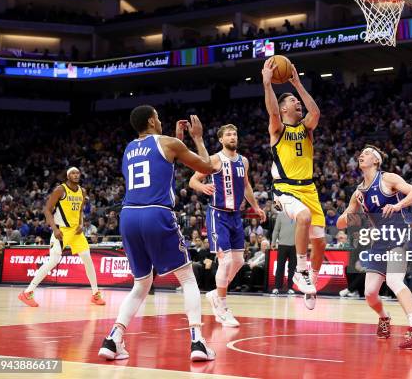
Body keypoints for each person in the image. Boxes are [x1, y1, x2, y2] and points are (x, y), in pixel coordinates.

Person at [97, 106, 216, 362]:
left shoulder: (129, 148)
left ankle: (113, 338)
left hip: (128, 216)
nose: (160, 121)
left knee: (141, 284)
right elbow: (206, 167)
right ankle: (197, 342)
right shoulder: (169, 143)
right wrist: (197, 138)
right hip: (156, 213)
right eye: (158, 117)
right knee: (187, 277)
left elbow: (163, 164)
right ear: (152, 120)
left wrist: (177, 141)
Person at [337, 145, 412, 349]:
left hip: (399, 234)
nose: (362, 155)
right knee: (370, 293)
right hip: (379, 241)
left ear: (376, 161)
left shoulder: (388, 178)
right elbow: (341, 222)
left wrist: (398, 205)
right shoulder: (358, 192)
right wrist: (349, 218)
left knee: (394, 280)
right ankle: (384, 317)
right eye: (360, 153)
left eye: (367, 153)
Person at [262, 58, 326, 309]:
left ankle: (312, 281)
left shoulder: (306, 128)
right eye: (292, 101)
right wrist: (268, 84)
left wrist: (298, 84)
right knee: (303, 216)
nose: (297, 104)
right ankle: (300, 270)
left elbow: (316, 112)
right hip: (285, 188)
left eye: (297, 102)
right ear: (283, 109)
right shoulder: (277, 129)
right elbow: (272, 111)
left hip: (309, 188)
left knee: (320, 240)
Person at [189, 124, 266, 327]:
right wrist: (202, 186)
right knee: (225, 262)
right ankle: (221, 308)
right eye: (229, 134)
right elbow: (193, 181)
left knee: (239, 261)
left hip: (235, 217)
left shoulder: (244, 161)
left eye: (235, 133)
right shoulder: (215, 159)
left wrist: (256, 207)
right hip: (218, 215)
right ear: (221, 140)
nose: (233, 136)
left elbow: (247, 185)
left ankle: (216, 293)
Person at [18, 167, 105, 307]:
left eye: (77, 173)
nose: (76, 175)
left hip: (76, 232)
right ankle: (27, 292)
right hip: (62, 231)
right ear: (67, 176)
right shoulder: (60, 190)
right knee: (53, 260)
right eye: (73, 173)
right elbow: (46, 210)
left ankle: (95, 294)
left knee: (88, 259)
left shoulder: (82, 191)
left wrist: (81, 224)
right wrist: (54, 228)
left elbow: (80, 211)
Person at [271, 210, 297, 295]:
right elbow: (276, 230)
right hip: (282, 245)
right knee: (280, 267)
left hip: (295, 245)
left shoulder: (298, 214)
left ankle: (290, 287)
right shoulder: (280, 215)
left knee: (292, 268)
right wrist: (273, 242)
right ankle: (277, 287)